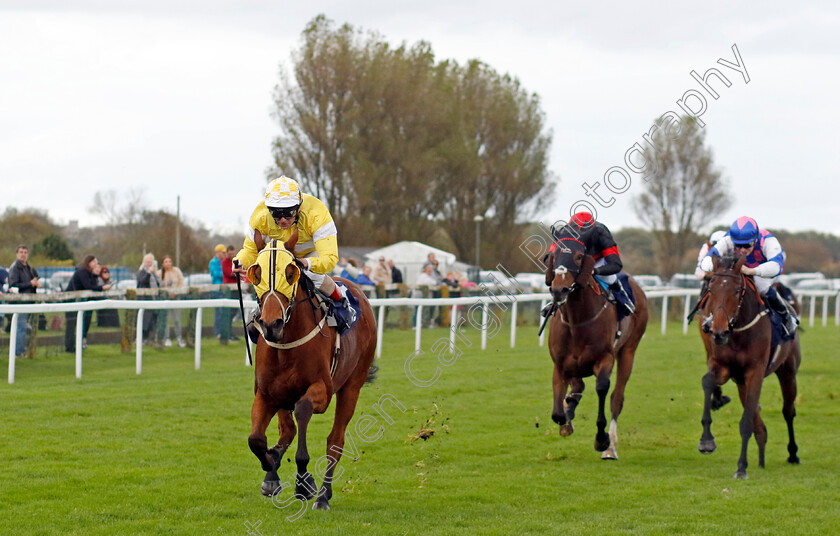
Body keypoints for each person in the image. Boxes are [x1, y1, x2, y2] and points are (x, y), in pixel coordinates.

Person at [233, 176, 356, 332]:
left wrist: (307, 263)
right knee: (271, 276)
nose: (283, 220)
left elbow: (329, 259)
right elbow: (250, 250)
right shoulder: (260, 216)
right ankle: (263, 311)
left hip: (311, 252)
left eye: (288, 212)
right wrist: (239, 262)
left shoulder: (317, 213)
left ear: (299, 207)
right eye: (276, 214)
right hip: (279, 253)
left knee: (313, 275)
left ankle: (342, 302)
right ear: (268, 209)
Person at [700, 216, 798, 334]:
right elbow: (705, 263)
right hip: (739, 268)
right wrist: (721, 267)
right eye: (738, 245)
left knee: (761, 286)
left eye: (747, 245)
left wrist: (752, 271)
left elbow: (776, 267)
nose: (742, 250)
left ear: (755, 240)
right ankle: (714, 315)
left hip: (764, 269)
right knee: (723, 284)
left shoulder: (768, 241)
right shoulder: (727, 239)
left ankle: (786, 316)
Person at [548, 211, 634, 315]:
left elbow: (616, 264)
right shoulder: (564, 233)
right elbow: (550, 256)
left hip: (596, 261)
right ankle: (554, 303)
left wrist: (595, 271)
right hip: (574, 264)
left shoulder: (600, 232)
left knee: (611, 278)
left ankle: (623, 299)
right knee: (559, 281)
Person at [65, 255, 111, 351]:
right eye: (93, 262)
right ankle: (70, 347)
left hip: (79, 301)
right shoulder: (82, 272)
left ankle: (78, 345)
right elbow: (88, 286)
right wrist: (102, 288)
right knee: (71, 324)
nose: (95, 264)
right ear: (88, 263)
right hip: (71, 300)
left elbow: (93, 285)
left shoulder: (89, 273)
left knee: (81, 323)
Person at [8, 245, 41, 357]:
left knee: (25, 328)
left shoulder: (28, 267)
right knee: (21, 328)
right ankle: (18, 352)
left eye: (25, 252)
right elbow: (14, 286)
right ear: (17, 254)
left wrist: (35, 285)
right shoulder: (15, 268)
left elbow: (31, 282)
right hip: (20, 302)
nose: (23, 254)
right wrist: (30, 284)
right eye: (21, 252)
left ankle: (22, 350)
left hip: (29, 302)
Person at [159, 255, 186, 347]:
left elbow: (181, 283)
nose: (168, 263)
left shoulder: (176, 271)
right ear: (163, 263)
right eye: (166, 261)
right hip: (165, 300)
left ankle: (179, 338)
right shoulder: (160, 273)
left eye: (169, 261)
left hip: (176, 299)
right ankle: (167, 338)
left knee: (177, 320)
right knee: (166, 320)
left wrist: (176, 292)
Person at [136, 253, 161, 344]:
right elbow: (142, 281)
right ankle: (140, 339)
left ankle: (148, 339)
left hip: (153, 299)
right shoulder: (142, 272)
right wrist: (148, 272)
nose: (149, 264)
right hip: (144, 299)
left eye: (151, 262)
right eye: (148, 262)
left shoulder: (154, 274)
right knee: (144, 320)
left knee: (152, 320)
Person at [209, 244, 225, 338]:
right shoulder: (213, 262)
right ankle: (217, 332)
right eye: (223, 252)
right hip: (216, 291)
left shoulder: (222, 262)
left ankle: (222, 331)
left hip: (223, 289)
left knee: (224, 312)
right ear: (218, 252)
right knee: (218, 312)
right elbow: (215, 274)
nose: (224, 254)